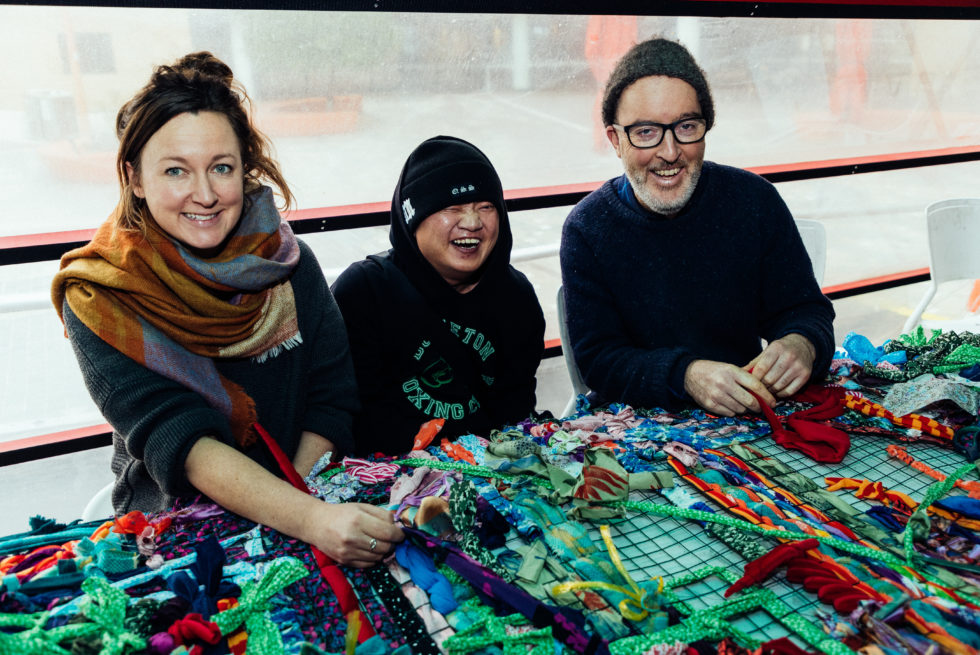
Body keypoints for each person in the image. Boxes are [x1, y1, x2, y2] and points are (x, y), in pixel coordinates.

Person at [51, 52, 402, 567]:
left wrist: (295, 506)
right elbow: (183, 439)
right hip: (172, 533)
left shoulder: (288, 264)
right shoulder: (100, 296)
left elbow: (332, 398)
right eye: (176, 170)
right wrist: (306, 520)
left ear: (246, 169)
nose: (206, 194)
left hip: (303, 496)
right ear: (135, 178)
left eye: (221, 167)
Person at [560, 37, 835, 417]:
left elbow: (806, 310)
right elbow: (599, 361)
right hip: (637, 428)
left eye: (686, 126)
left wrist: (802, 345)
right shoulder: (587, 228)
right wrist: (686, 375)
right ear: (615, 140)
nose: (670, 152)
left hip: (748, 417)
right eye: (645, 132)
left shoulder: (755, 201)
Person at [332, 136, 545, 455]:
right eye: (453, 207)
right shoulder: (364, 293)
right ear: (412, 219)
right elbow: (350, 418)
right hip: (388, 475)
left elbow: (514, 413)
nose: (473, 222)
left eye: (486, 207)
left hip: (491, 471)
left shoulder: (516, 297)